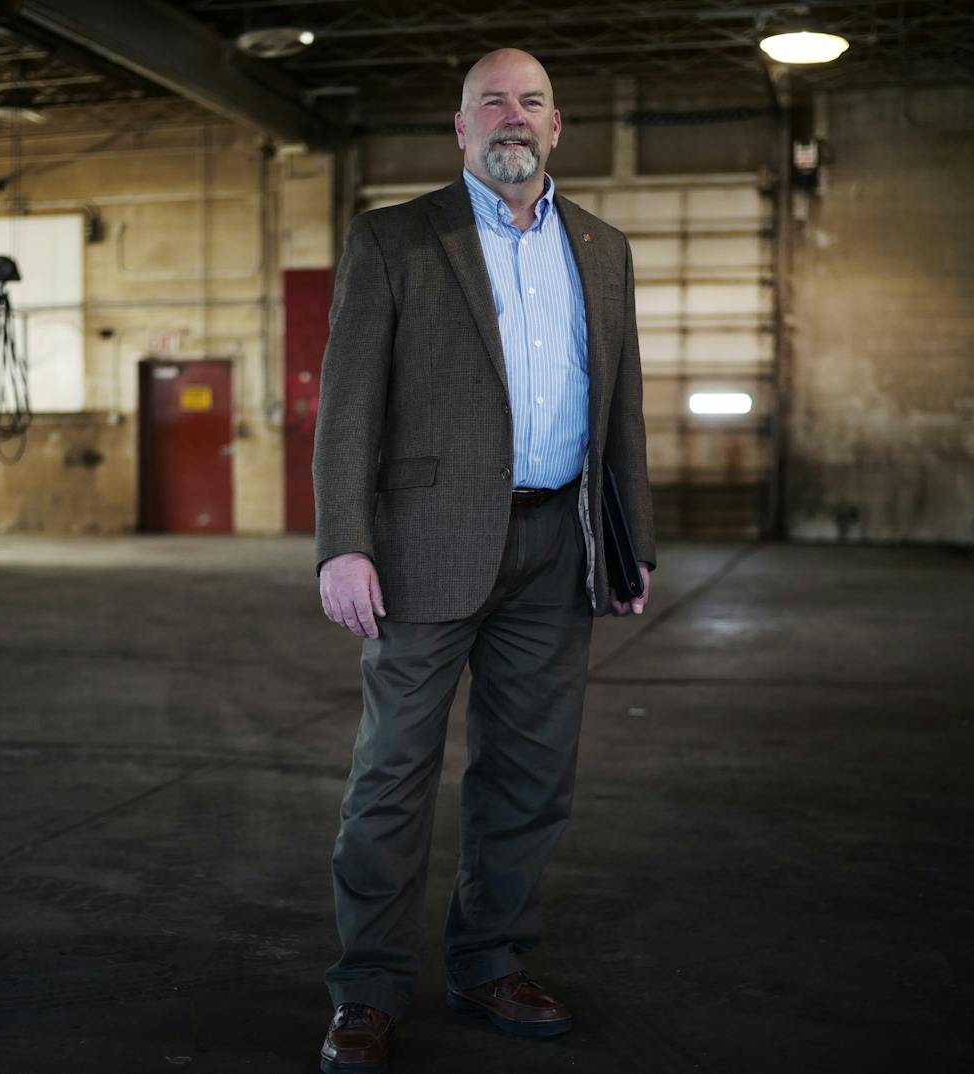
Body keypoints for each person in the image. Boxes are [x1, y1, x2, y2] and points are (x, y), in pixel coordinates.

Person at [311, 48, 656, 1074]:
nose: (511, 116)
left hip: (556, 544)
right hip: (421, 547)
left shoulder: (601, 247)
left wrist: (627, 540)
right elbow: (345, 410)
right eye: (489, 102)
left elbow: (620, 406)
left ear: (557, 128)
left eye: (531, 101)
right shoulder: (394, 238)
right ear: (458, 131)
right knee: (392, 775)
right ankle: (367, 989)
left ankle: (489, 962)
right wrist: (342, 544)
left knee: (529, 776)